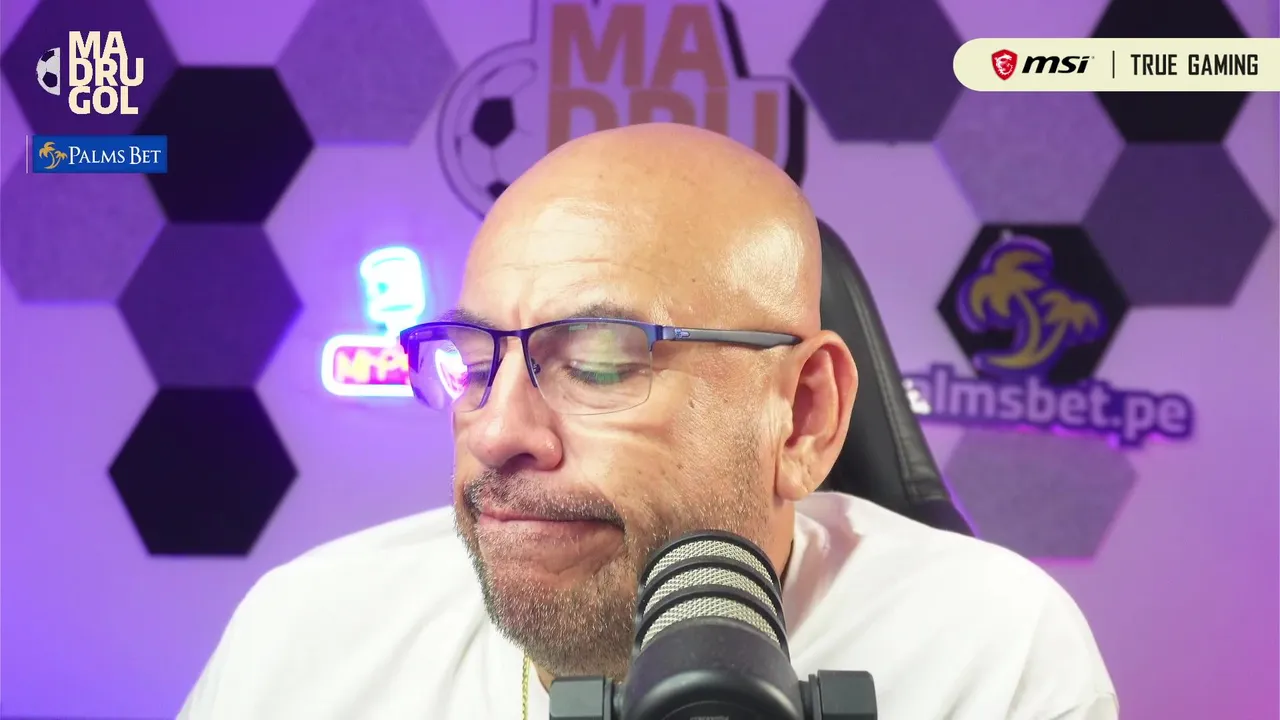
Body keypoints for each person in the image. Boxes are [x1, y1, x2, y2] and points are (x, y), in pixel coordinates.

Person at [178, 123, 1117, 719]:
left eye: (598, 360)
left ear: (803, 416)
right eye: (473, 360)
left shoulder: (987, 650)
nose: (498, 432)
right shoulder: (301, 638)